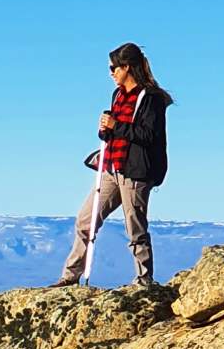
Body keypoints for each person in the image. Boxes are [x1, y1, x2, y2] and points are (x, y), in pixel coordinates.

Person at [56, 42, 172, 286]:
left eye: (113, 68)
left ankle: (144, 278)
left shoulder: (150, 98)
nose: (111, 73)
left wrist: (114, 126)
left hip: (136, 172)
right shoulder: (118, 95)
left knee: (135, 227)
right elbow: (115, 133)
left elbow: (149, 135)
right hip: (111, 167)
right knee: (85, 219)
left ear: (126, 67)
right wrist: (105, 131)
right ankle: (70, 276)